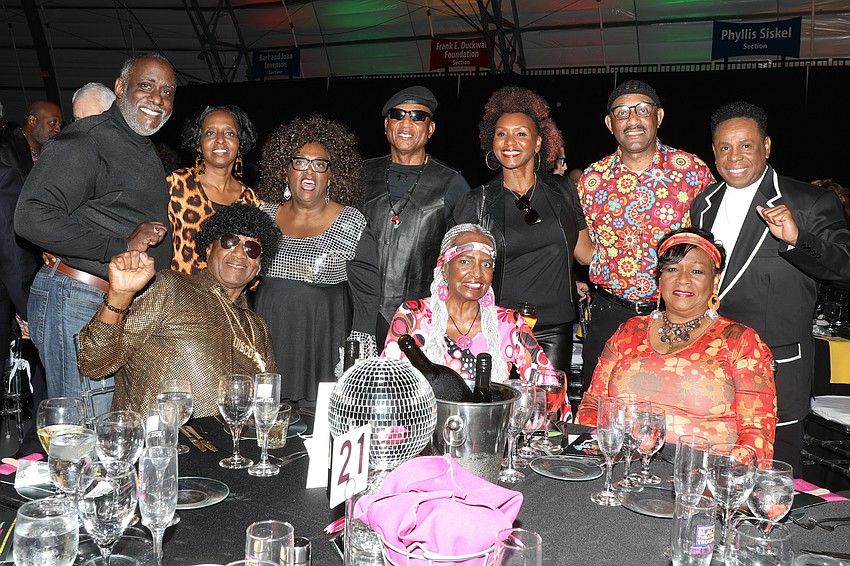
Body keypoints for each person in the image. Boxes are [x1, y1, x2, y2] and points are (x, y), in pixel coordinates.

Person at [690, 101, 850, 474]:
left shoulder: (808, 202)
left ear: (767, 146)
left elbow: (845, 268)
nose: (735, 157)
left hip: (778, 369)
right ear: (713, 153)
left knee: (770, 478)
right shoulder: (704, 205)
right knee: (715, 469)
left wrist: (797, 239)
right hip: (714, 365)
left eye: (746, 145)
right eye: (724, 147)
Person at [15, 52, 176, 416]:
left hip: (112, 303)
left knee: (109, 431)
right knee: (85, 431)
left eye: (168, 91)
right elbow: (30, 216)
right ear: (120, 88)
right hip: (78, 299)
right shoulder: (86, 141)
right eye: (146, 86)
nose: (158, 99)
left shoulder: (140, 146)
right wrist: (119, 246)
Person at [577, 228, 777, 460]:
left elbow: (757, 433)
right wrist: (595, 458)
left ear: (715, 281)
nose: (683, 279)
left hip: (701, 478)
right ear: (659, 279)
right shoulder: (629, 331)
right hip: (624, 468)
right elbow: (593, 406)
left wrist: (723, 482)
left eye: (697, 271)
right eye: (672, 269)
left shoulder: (739, 340)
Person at [577, 79, 716, 390]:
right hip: (609, 314)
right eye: (623, 113)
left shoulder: (692, 171)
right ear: (609, 123)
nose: (633, 120)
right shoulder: (592, 179)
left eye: (642, 110)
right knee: (599, 407)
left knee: (671, 406)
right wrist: (598, 263)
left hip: (676, 315)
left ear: (659, 116)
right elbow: (581, 241)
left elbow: (711, 243)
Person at [78, 203, 278, 418]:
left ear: (258, 265)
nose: (239, 253)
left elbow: (267, 401)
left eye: (252, 249)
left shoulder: (256, 327)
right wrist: (118, 297)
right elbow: (94, 363)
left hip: (233, 446)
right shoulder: (171, 288)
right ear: (209, 248)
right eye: (230, 242)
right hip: (160, 442)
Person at [455, 85, 592, 372]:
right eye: (501, 133)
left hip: (555, 328)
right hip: (498, 325)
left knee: (548, 411)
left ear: (539, 143)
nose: (509, 142)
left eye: (521, 134)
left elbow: (585, 254)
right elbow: (456, 271)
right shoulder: (477, 201)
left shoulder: (564, 190)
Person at [256, 114, 379, 404]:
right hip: (269, 336)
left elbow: (367, 297)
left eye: (320, 164)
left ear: (332, 175)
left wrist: (355, 360)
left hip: (323, 343)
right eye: (300, 162)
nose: (309, 172)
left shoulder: (351, 222)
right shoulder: (265, 216)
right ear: (285, 170)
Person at [360, 86, 471, 345]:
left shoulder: (452, 183)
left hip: (421, 318)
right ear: (387, 125)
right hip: (359, 313)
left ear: (430, 129)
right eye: (398, 115)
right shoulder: (361, 174)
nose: (407, 122)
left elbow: (464, 257)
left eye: (418, 116)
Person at [383, 223, 550, 384]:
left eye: (486, 264)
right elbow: (386, 382)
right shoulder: (413, 316)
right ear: (444, 267)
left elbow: (548, 385)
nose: (477, 273)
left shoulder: (510, 324)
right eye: (465, 261)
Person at [168, 105, 259, 274]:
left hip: (226, 298)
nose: (220, 139)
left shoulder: (250, 200)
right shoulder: (175, 185)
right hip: (178, 295)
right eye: (210, 132)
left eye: (229, 133)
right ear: (198, 144)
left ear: (240, 144)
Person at [0, 100, 63, 182]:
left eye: (60, 124)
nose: (58, 129)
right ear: (32, 120)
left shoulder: (55, 149)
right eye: (53, 122)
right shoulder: (5, 149)